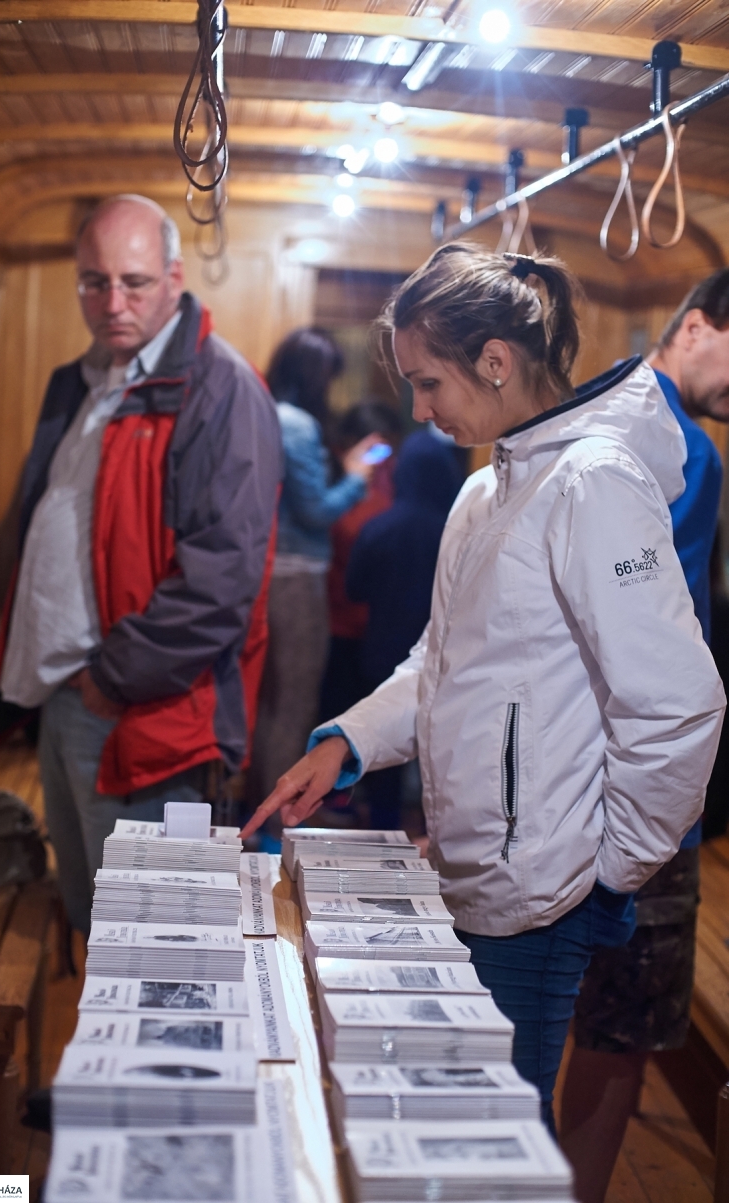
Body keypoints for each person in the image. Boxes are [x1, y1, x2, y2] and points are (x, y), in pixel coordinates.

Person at [241, 242, 725, 1133]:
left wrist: (606, 869)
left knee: (497, 1139)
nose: (419, 411)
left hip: (542, 902)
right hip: (469, 873)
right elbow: (441, 659)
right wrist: (347, 740)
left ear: (496, 363)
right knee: (461, 1129)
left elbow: (678, 706)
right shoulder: (485, 491)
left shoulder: (596, 482)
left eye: (429, 384)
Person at [0, 194, 282, 934]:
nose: (111, 301)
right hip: (67, 699)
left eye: (135, 281)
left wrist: (110, 680)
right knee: (94, 920)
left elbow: (221, 583)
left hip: (143, 714)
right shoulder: (83, 380)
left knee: (157, 942)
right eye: (93, 281)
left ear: (175, 277)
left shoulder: (220, 390)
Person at [560, 269, 729, 1201]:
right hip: (637, 787)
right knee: (624, 1027)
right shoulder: (680, 449)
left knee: (572, 1009)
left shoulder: (600, 406)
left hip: (571, 778)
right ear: (697, 325)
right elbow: (658, 652)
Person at [247, 328, 378, 834]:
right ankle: (278, 829)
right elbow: (316, 510)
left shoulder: (262, 411)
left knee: (269, 701)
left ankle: (260, 816)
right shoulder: (297, 424)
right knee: (292, 703)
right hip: (296, 578)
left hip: (266, 572)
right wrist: (355, 479)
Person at [344, 427, 465, 827]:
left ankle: (383, 831)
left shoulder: (381, 527)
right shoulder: (458, 534)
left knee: (385, 762)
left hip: (381, 649)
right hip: (446, 658)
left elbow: (354, 588)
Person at [320, 400, 402, 725]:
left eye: (389, 449)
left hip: (380, 627)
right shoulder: (334, 486)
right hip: (337, 622)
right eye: (375, 449)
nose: (382, 458)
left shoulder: (397, 481)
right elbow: (342, 532)